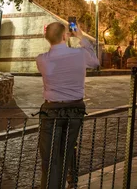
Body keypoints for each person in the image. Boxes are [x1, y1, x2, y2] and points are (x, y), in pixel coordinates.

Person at [36, 21, 99, 189]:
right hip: (75, 110)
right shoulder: (79, 55)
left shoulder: (41, 59)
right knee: (65, 153)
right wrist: (80, 36)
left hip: (51, 110)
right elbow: (95, 63)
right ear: (65, 36)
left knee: (49, 158)